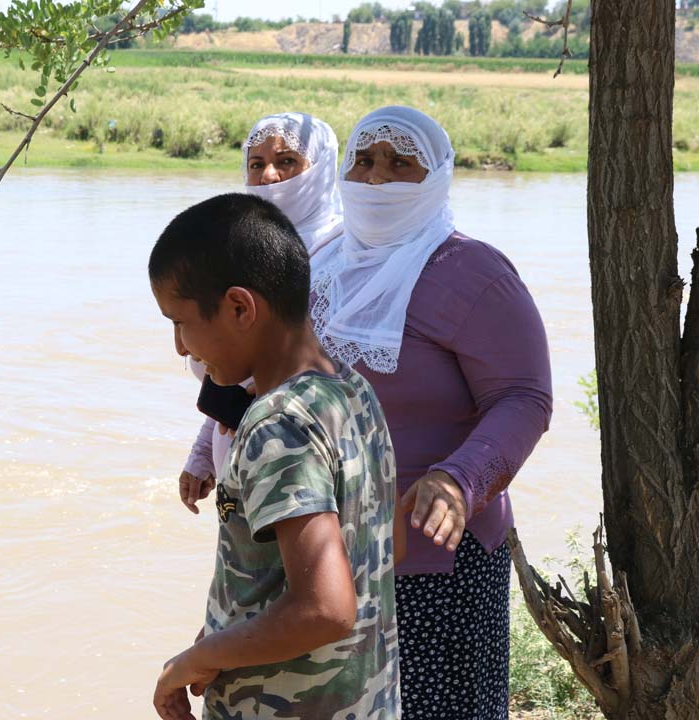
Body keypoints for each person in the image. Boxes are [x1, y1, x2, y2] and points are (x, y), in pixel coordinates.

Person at [312, 106, 553, 718]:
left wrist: (458, 478)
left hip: (432, 559)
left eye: (400, 164)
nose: (375, 178)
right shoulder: (321, 264)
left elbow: (524, 397)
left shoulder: (473, 272)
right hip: (326, 548)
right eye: (363, 161)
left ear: (437, 177)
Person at [149, 194, 400, 720]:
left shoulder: (276, 423)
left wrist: (192, 660)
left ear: (240, 308)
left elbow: (324, 608)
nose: (179, 347)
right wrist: (223, 634)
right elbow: (381, 547)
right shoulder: (351, 391)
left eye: (180, 322)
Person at [180, 112, 344, 515]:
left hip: (301, 469)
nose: (269, 175)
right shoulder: (242, 251)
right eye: (257, 164)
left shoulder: (344, 256)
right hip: (236, 462)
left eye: (287, 161)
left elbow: (341, 374)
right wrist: (203, 450)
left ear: (320, 170)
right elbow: (233, 371)